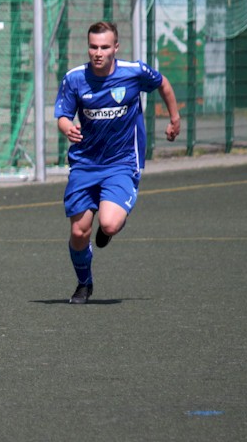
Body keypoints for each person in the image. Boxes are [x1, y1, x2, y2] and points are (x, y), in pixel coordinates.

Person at [54, 21, 181, 304]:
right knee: (78, 232)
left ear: (116, 47)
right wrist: (67, 128)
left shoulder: (134, 72)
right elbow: (63, 114)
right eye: (93, 47)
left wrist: (174, 119)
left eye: (104, 47)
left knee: (109, 225)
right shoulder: (75, 78)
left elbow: (163, 84)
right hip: (85, 163)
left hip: (122, 162)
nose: (98, 53)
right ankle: (84, 283)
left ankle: (109, 226)